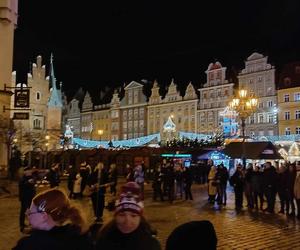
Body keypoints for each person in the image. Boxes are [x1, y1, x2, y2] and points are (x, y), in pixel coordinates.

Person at [13, 188, 92, 250]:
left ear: (44, 216)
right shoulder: (81, 237)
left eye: (30, 212)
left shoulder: (29, 245)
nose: (28, 215)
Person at [95, 182, 161, 250]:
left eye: (133, 215)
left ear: (140, 218)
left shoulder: (151, 245)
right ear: (115, 216)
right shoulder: (103, 240)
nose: (127, 220)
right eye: (122, 215)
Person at [18, 167, 37, 232]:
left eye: (30, 171)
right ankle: (22, 225)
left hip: (31, 197)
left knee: (31, 211)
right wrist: (28, 183)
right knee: (24, 211)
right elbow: (22, 186)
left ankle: (31, 224)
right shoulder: (22, 179)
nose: (30, 172)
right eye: (28, 171)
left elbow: (34, 183)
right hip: (25, 198)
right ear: (25, 172)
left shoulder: (32, 177)